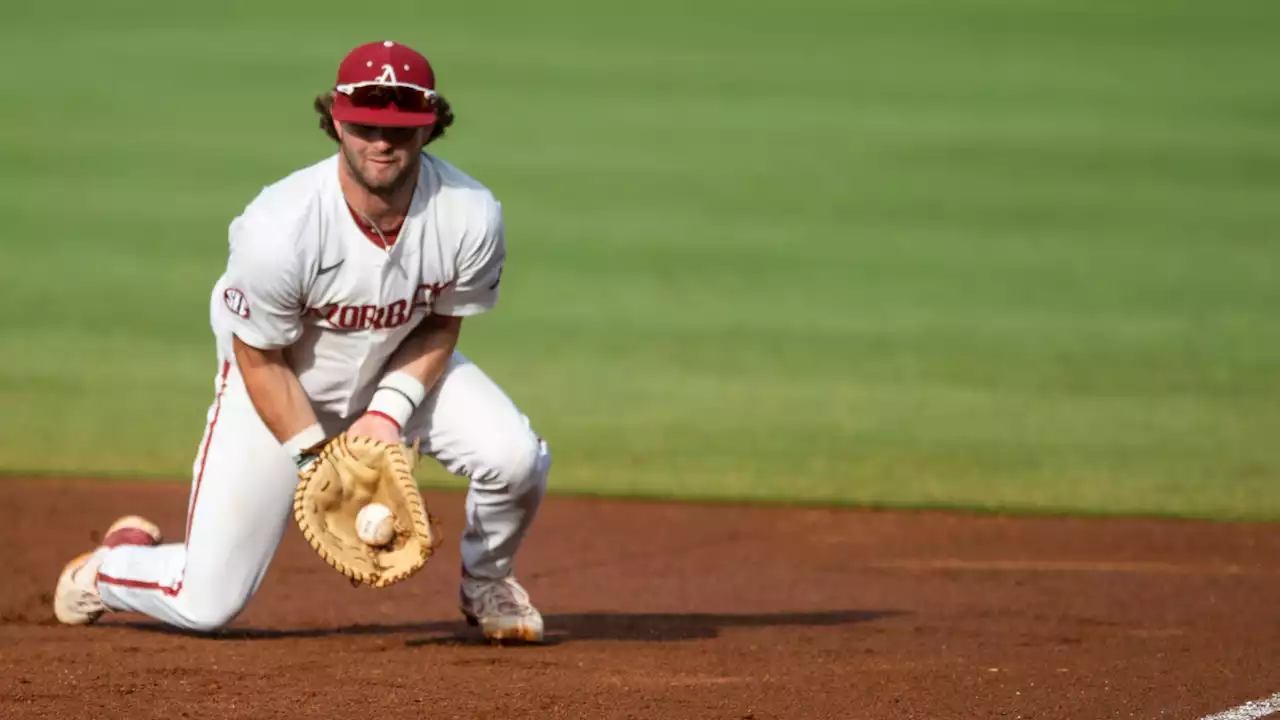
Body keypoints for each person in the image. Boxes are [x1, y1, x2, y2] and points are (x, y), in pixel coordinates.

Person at [52, 40, 550, 643]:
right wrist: (316, 461)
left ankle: (488, 581)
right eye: (366, 124)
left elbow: (443, 320)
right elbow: (257, 354)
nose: (382, 142)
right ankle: (110, 568)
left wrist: (388, 414)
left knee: (515, 458)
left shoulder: (469, 214)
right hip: (278, 387)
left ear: (430, 127)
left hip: (401, 368)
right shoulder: (280, 228)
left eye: (400, 126)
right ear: (337, 121)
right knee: (206, 603)